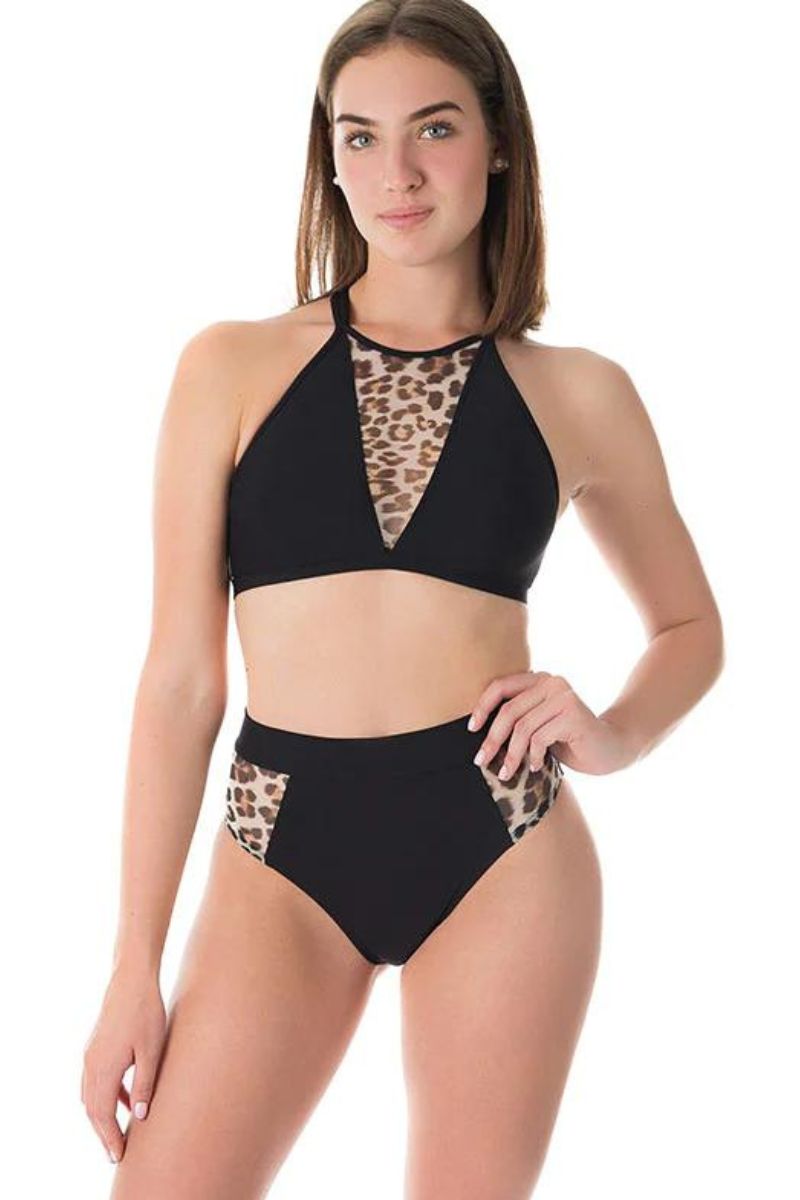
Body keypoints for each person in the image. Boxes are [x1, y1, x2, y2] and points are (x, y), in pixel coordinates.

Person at [82, 2, 724, 1196]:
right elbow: (178, 682)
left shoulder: (578, 392)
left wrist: (613, 732)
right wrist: (133, 966)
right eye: (359, 136)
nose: (396, 174)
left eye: (433, 128)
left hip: (498, 840)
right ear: (327, 156)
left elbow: (690, 628)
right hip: (279, 842)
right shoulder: (229, 366)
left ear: (497, 143)